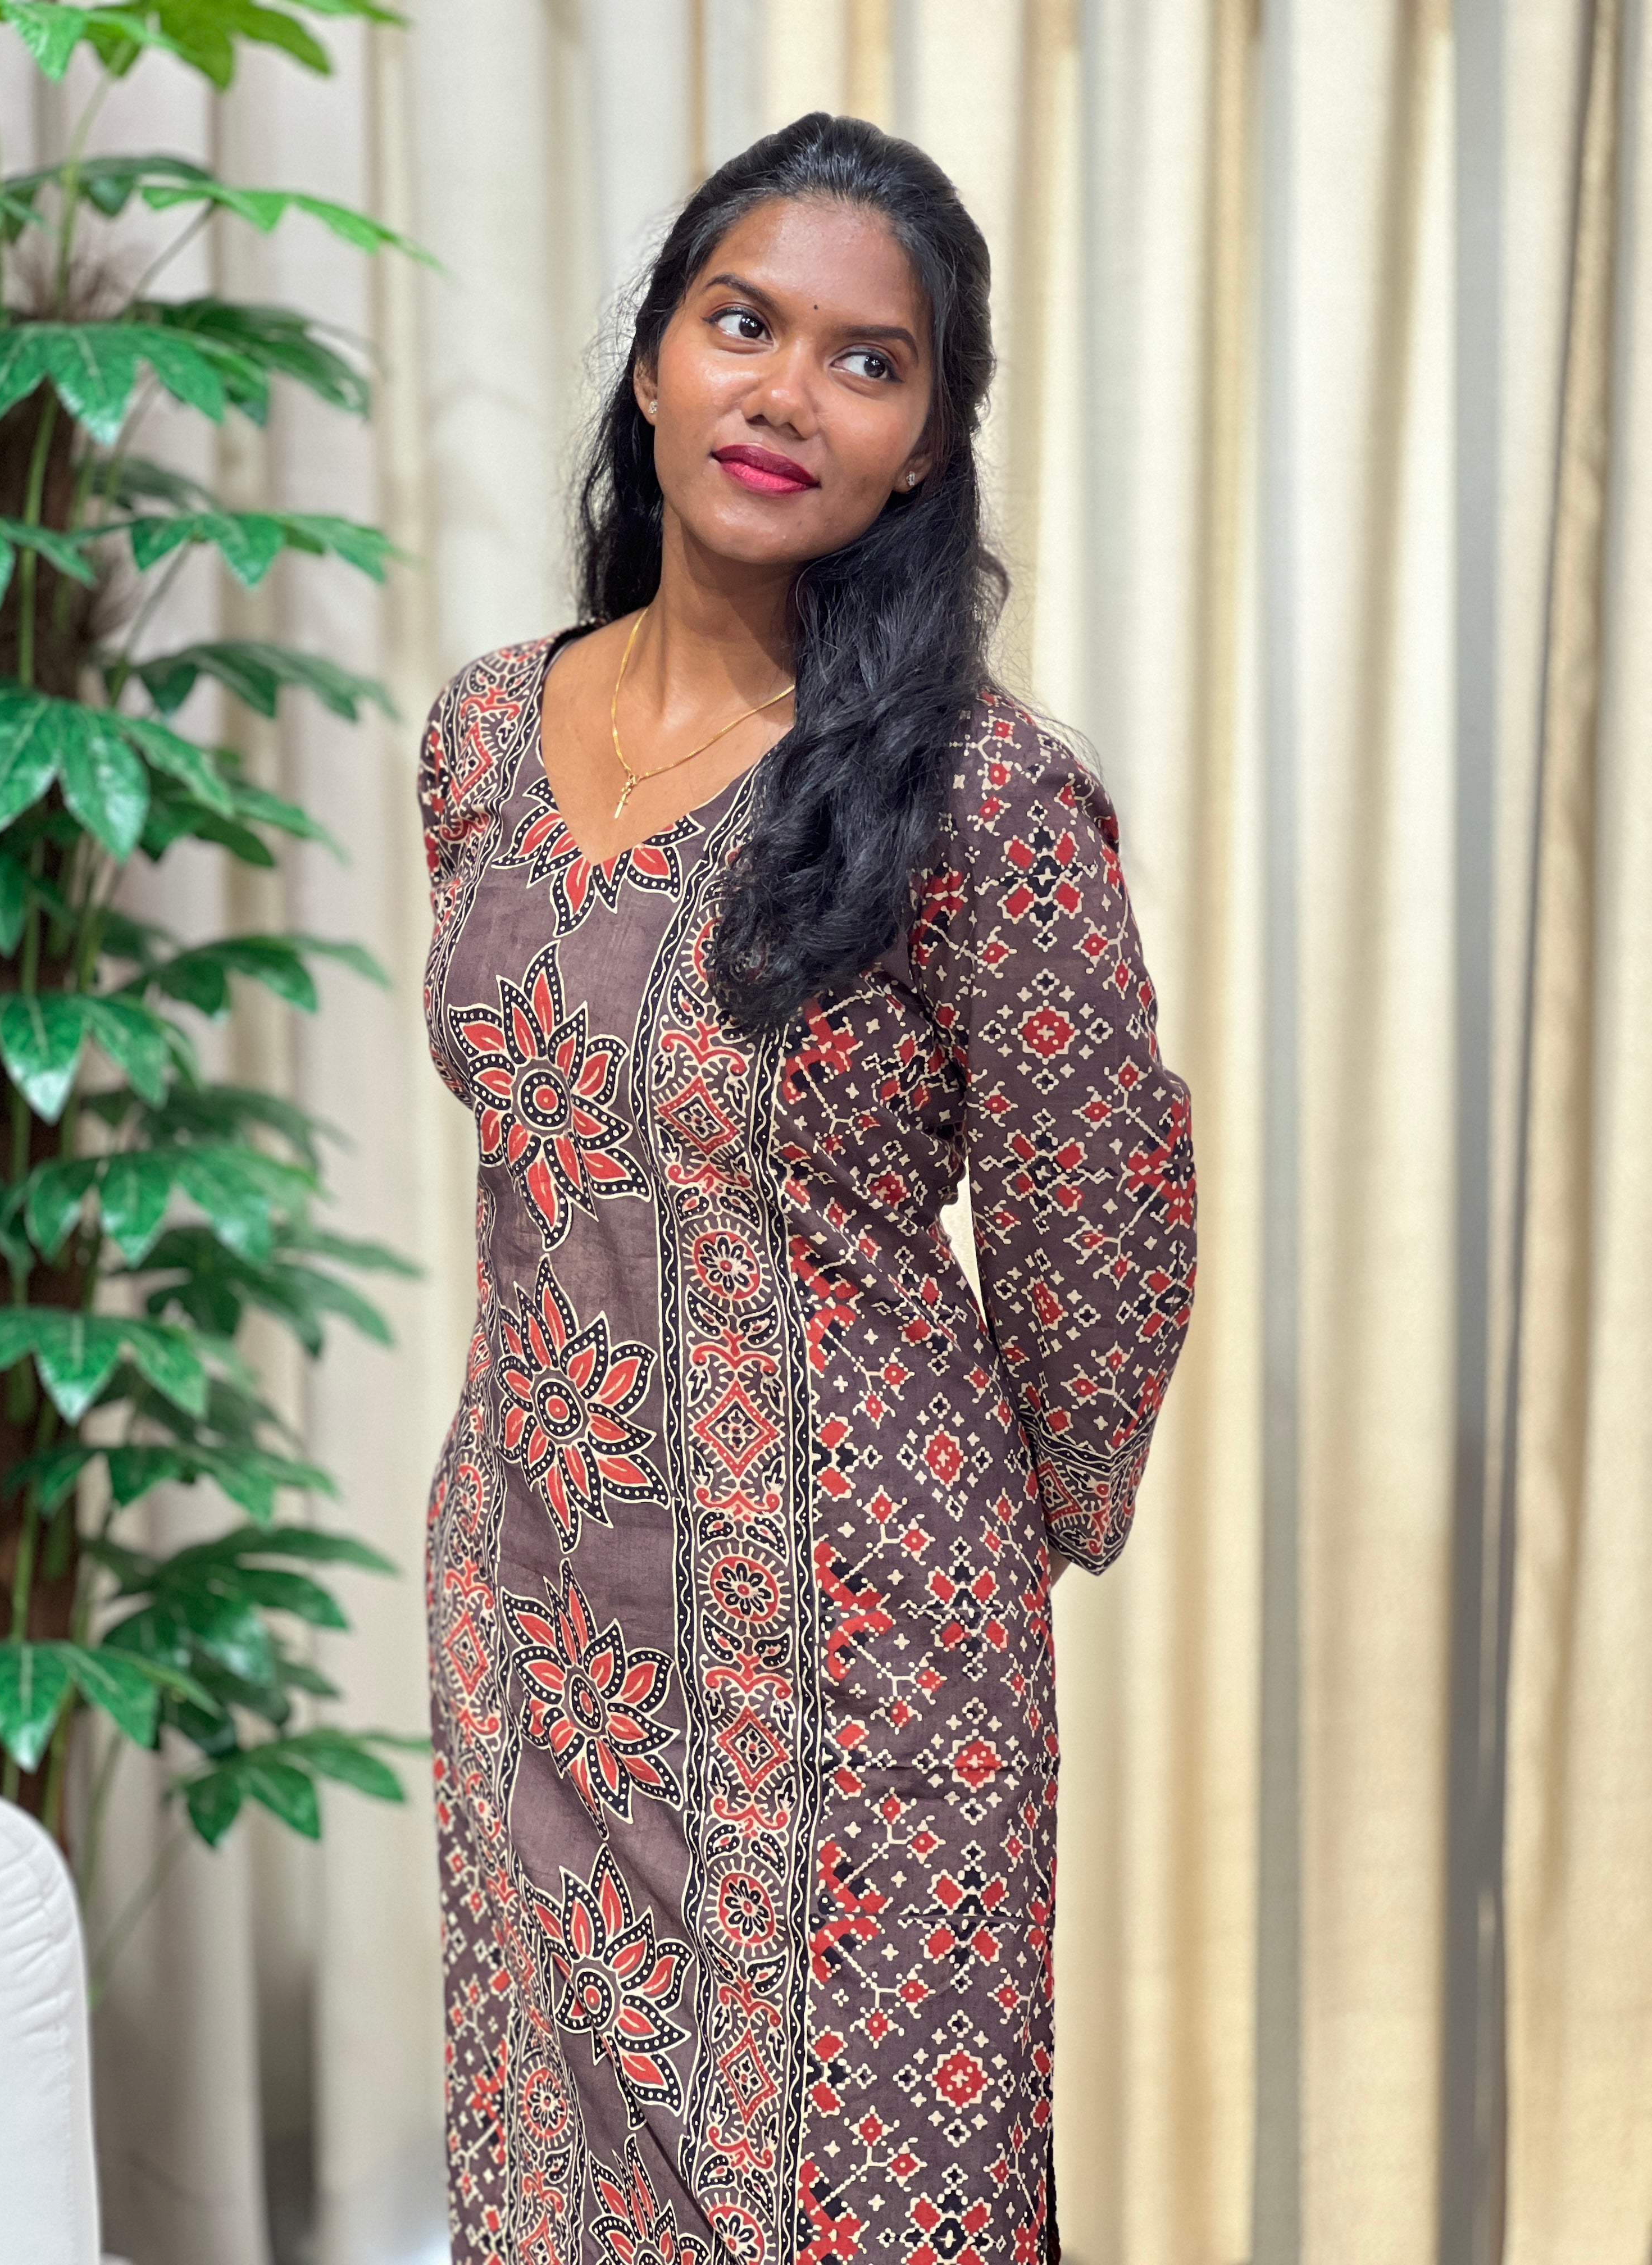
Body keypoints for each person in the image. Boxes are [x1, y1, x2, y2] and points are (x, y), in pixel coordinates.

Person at [416, 110, 1196, 2265]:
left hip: (860, 1673)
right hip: (537, 1619)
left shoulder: (978, 795)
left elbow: (1104, 1227)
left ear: (928, 447)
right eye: (741, 323)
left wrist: (955, 1541)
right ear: (653, 359)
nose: (785, 394)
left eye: (869, 362)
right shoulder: (483, 739)